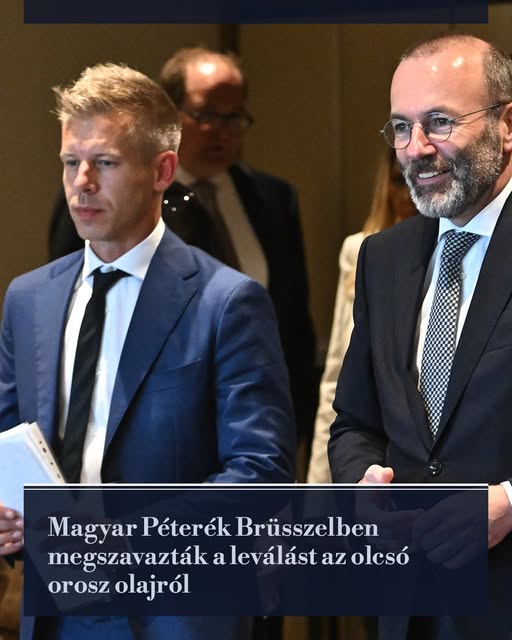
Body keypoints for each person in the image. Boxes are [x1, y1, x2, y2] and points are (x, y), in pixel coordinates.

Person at [0, 62, 296, 640]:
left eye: (105, 163)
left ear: (162, 171)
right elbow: (11, 442)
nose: (82, 182)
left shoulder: (227, 301)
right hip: (54, 613)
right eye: (70, 162)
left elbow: (259, 474)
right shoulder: (28, 298)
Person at [329, 33, 512, 639]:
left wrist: (510, 502)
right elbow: (355, 422)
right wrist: (363, 483)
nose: (417, 149)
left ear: (507, 124)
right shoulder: (383, 258)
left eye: (439, 122)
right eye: (402, 128)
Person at [48, 47, 317, 456]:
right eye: (206, 115)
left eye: (233, 117)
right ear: (170, 117)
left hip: (249, 413)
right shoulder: (97, 203)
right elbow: (73, 307)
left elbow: (294, 321)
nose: (220, 131)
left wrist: (299, 425)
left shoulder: (272, 198)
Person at [307, 148, 416, 484]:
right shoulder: (363, 250)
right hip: (371, 455)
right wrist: (317, 485)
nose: (408, 193)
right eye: (398, 181)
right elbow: (337, 371)